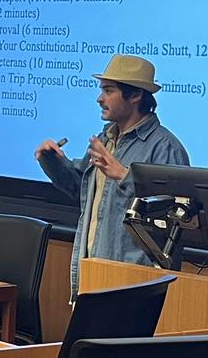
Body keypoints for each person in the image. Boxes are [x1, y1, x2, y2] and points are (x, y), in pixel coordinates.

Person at [34, 55, 190, 298]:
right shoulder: (106, 139)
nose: (99, 99)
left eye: (108, 91)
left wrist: (124, 176)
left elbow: (173, 218)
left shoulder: (165, 148)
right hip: (93, 276)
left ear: (135, 95)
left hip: (135, 286)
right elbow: (81, 190)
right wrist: (53, 162)